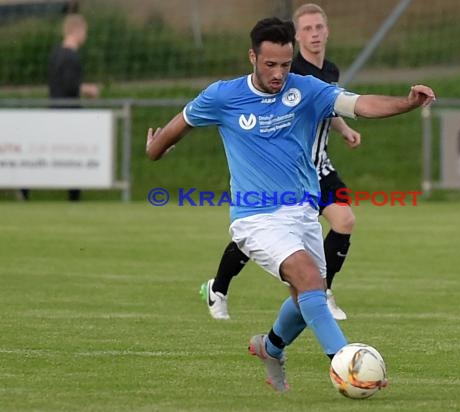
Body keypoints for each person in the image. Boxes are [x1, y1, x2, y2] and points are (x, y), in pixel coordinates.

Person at [146, 17, 435, 392]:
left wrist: (407, 103)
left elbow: (359, 104)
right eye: (270, 65)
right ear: (252, 57)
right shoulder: (223, 96)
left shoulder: (307, 89)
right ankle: (346, 361)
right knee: (311, 280)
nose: (279, 73)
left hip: (302, 213)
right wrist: (154, 150)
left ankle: (270, 347)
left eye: (285, 64)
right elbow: (181, 123)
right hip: (256, 217)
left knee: (304, 298)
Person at [200, 3, 360, 321]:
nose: (314, 34)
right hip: (286, 173)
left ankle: (322, 291)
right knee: (255, 238)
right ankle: (217, 288)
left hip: (319, 166)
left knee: (345, 221)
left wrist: (343, 128)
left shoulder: (330, 70)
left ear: (327, 31)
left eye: (319, 27)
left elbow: (326, 106)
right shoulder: (289, 72)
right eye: (307, 29)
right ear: (297, 36)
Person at [19, 13, 99, 202]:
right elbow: (70, 85)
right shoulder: (71, 57)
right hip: (69, 113)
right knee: (76, 155)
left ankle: (24, 185)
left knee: (52, 155)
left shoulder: (55, 53)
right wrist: (88, 89)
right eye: (84, 31)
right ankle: (74, 195)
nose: (85, 36)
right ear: (76, 30)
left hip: (54, 109)